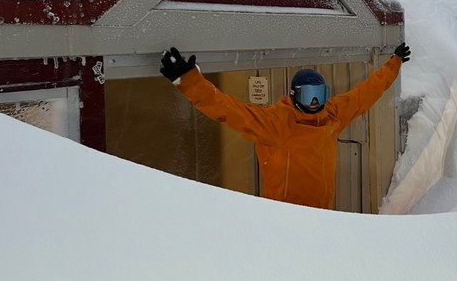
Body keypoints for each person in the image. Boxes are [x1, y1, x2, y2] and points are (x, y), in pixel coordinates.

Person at [159, 43, 411, 209]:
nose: (314, 102)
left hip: (324, 216)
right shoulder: (275, 124)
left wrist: (394, 63)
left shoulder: (332, 116)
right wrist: (190, 82)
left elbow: (366, 93)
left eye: (319, 94)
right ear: (293, 95)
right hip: (283, 220)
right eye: (307, 94)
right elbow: (228, 110)